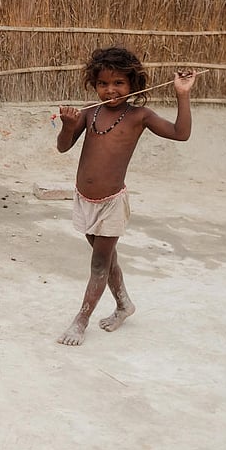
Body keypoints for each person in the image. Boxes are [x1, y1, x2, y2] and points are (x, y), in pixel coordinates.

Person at [55, 47, 196, 345]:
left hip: (111, 205)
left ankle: (81, 321)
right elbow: (63, 147)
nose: (111, 90)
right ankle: (124, 305)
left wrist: (182, 94)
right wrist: (67, 126)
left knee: (98, 264)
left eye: (119, 83)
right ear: (94, 85)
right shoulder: (89, 114)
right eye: (103, 84)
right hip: (84, 199)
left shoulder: (139, 116)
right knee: (106, 259)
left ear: (133, 85)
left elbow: (180, 134)